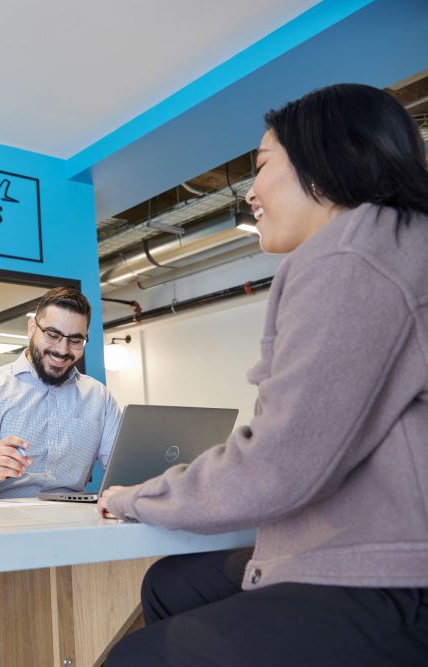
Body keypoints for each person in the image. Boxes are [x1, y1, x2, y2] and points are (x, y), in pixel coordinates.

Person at [99, 83, 428, 665]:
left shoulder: (352, 251)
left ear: (324, 160)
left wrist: (137, 498)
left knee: (138, 656)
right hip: (385, 545)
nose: (249, 192)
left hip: (398, 575)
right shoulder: (394, 242)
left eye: (261, 166)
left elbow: (281, 464)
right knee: (170, 584)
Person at [0, 287, 122, 499]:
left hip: (70, 521)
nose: (63, 350)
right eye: (53, 335)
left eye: (75, 341)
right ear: (31, 328)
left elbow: (122, 465)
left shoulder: (99, 397)